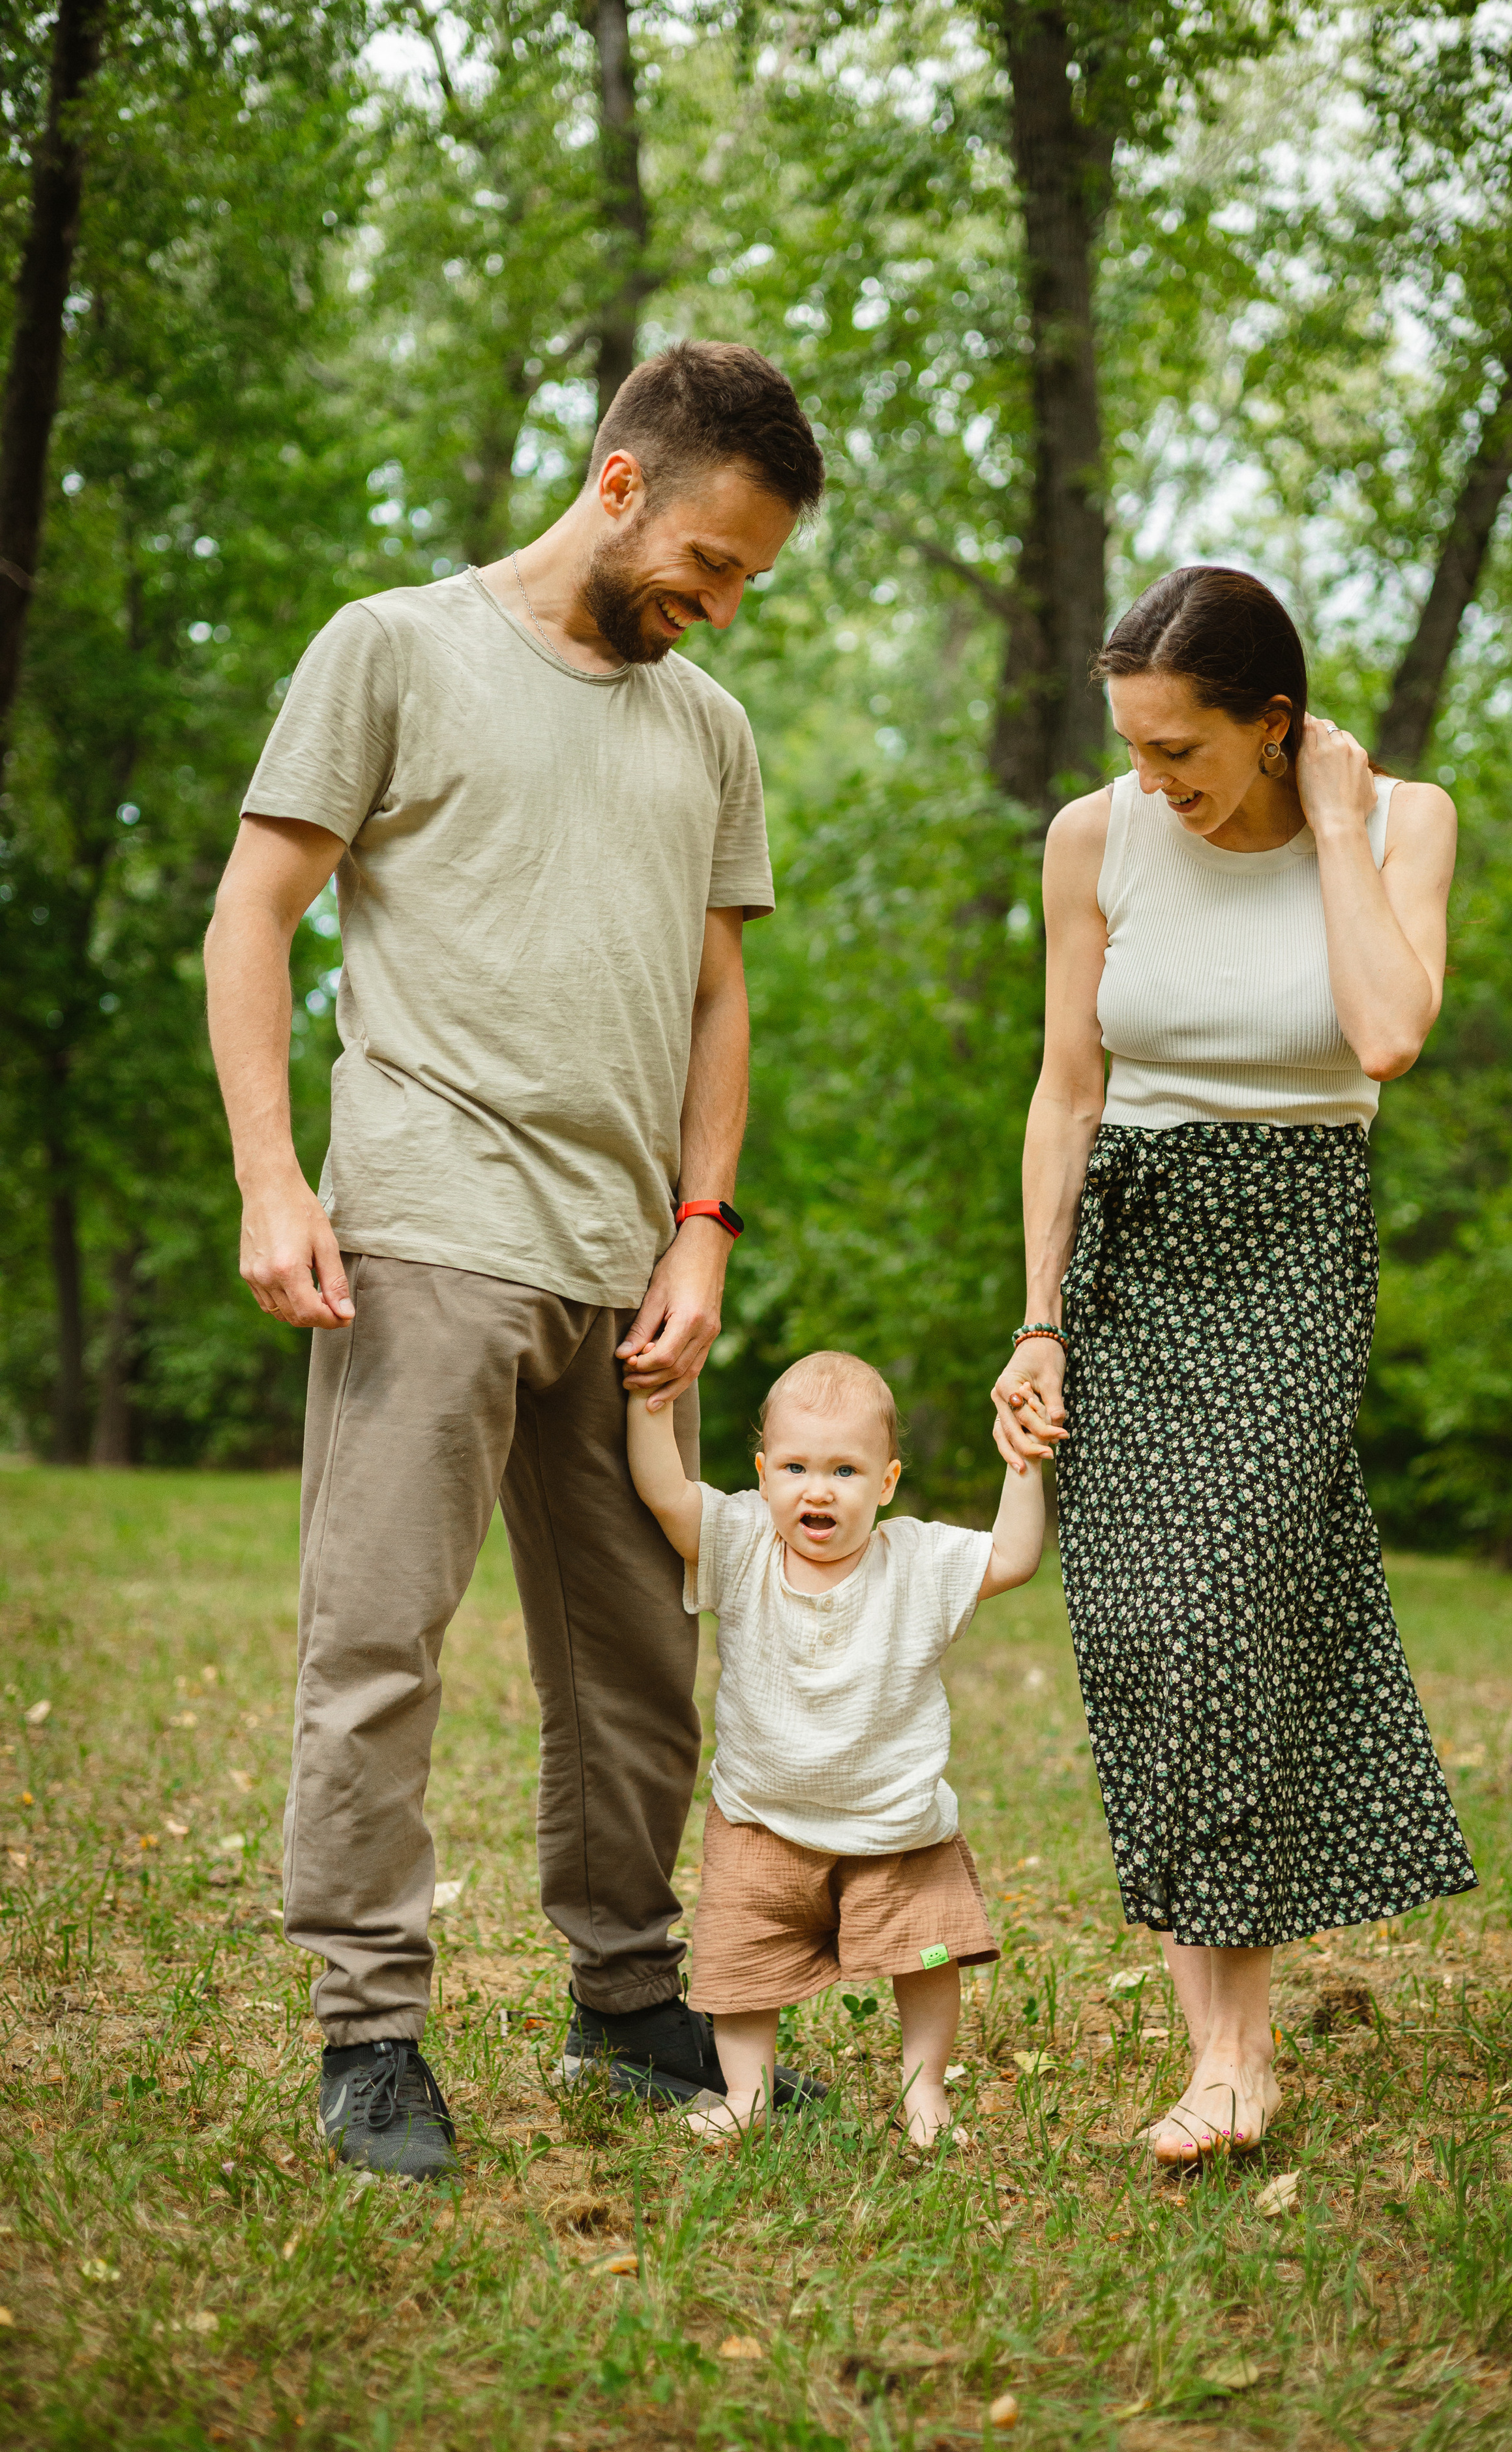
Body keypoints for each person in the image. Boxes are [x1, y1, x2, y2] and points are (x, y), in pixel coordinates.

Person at [202, 341, 825, 2178]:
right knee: (381, 1639)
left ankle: (629, 1998)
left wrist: (702, 1229)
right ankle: (369, 2032)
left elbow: (720, 994)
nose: (718, 608)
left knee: (639, 1663)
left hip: (628, 1268)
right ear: (621, 486)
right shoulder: (391, 648)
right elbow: (257, 908)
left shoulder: (706, 727)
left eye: (747, 587)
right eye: (710, 565)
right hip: (427, 1224)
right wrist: (270, 1176)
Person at [988, 565, 1476, 2165]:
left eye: (1181, 749)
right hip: (1126, 1239)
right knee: (1138, 1632)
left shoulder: (1401, 821)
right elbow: (1066, 1089)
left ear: (1275, 723)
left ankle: (1233, 2054)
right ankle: (1223, 2044)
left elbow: (1385, 1032)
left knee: (1223, 1614)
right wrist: (1038, 1316)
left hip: (1287, 1242)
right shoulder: (1093, 836)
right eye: (1130, 747)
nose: (1152, 782)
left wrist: (1334, 826)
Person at [627, 1349, 1046, 2144]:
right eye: (794, 1466)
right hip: (761, 1820)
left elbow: (1013, 1558)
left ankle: (924, 2094)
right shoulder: (742, 1543)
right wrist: (654, 1401)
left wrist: (1022, 1462)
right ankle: (746, 2096)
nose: (817, 1489)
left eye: (846, 1471)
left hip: (895, 1828)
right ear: (762, 1475)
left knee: (926, 1961)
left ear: (886, 1484)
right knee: (739, 1970)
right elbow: (666, 1492)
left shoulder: (915, 1561)